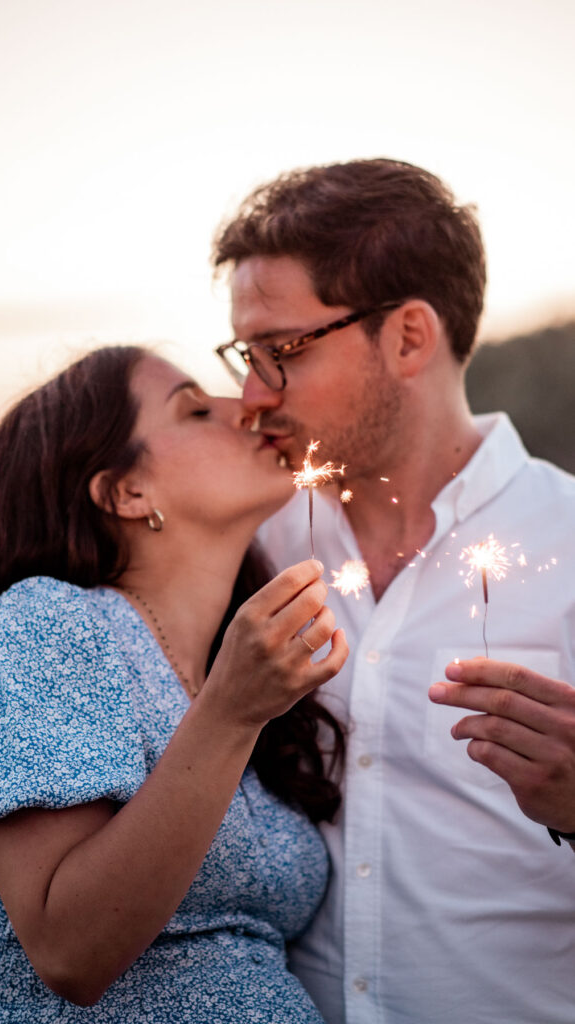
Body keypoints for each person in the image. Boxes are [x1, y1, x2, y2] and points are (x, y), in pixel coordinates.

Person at [212, 159, 575, 1024]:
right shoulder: (243, 547)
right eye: (241, 355)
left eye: (281, 353)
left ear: (409, 337)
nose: (250, 397)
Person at [0, 345, 350, 1023]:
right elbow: (69, 952)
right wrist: (229, 714)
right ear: (125, 491)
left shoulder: (224, 671)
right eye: (197, 409)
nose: (248, 408)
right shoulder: (46, 623)